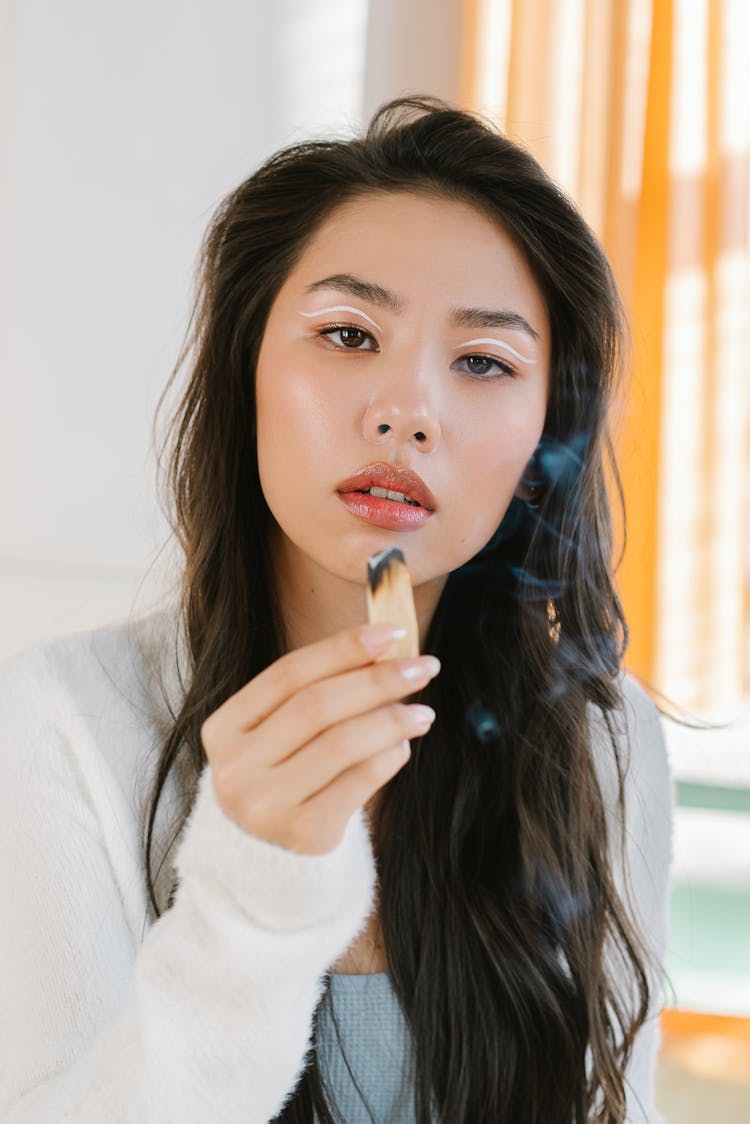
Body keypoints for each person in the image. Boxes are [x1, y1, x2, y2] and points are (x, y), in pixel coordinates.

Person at [0, 97, 673, 1123]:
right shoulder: (58, 720)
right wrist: (257, 886)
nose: (406, 408)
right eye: (348, 332)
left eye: (484, 360)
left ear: (544, 447)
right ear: (246, 375)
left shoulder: (601, 733)